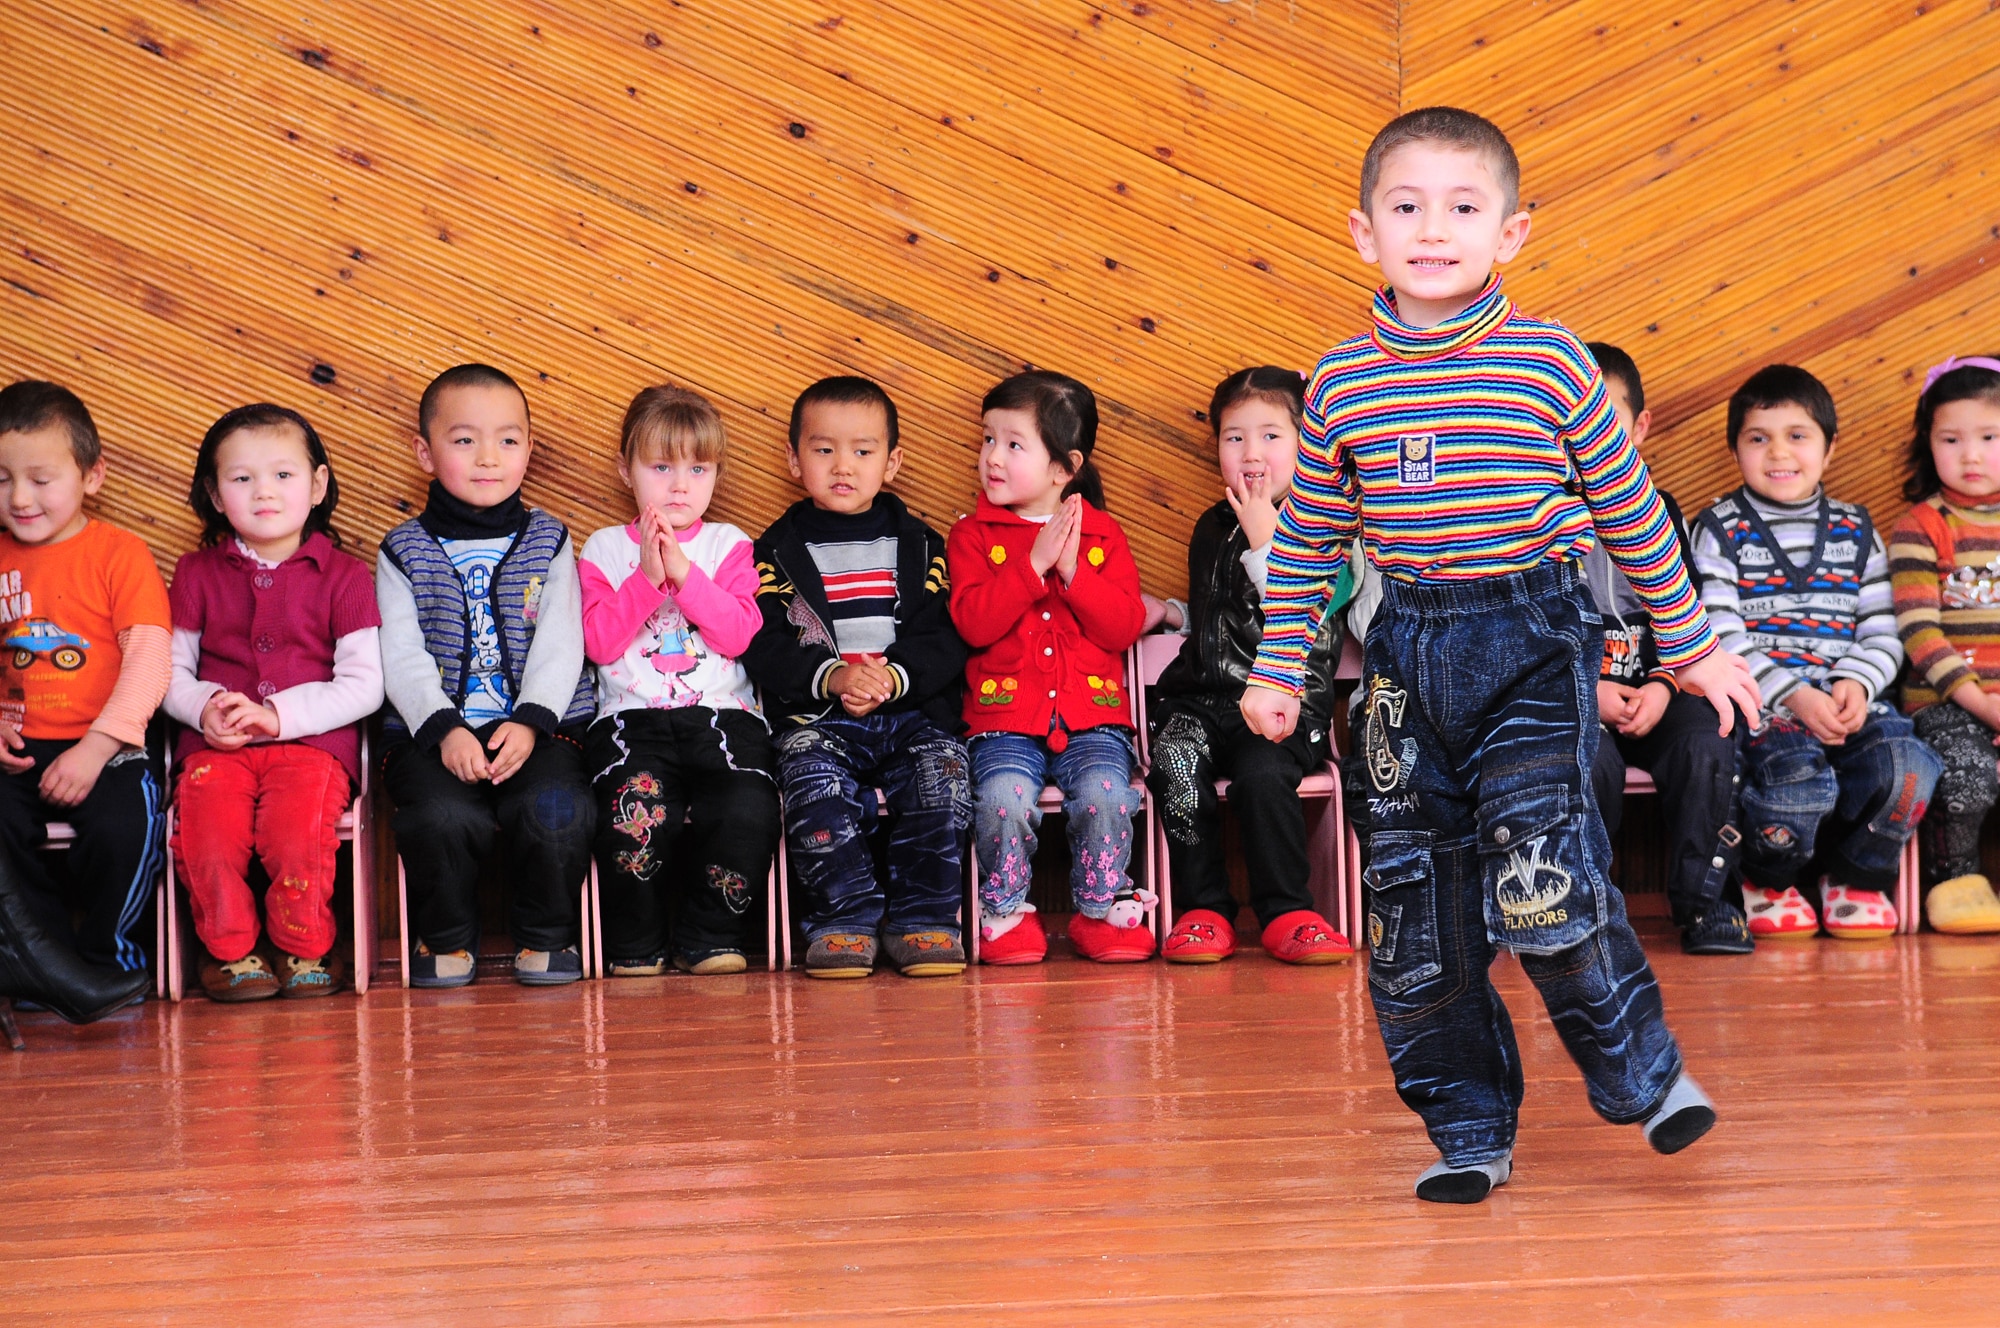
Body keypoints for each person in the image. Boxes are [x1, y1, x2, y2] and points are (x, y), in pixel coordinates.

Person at [1239, 107, 1762, 1203]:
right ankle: (1468, 1124)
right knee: (1411, 907)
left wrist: (1694, 645)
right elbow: (1303, 546)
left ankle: (1643, 1075)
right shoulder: (1337, 384)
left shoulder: (1548, 364)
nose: (1433, 228)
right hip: (1405, 658)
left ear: (1510, 233)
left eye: (1462, 207)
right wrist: (1279, 669)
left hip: (1529, 642)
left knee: (1542, 880)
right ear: (1361, 231)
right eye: (1406, 206)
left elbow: (1628, 513)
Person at [1692, 364, 1939, 940]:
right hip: (1765, 705)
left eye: (1797, 435)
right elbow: (1718, 633)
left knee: (1910, 767)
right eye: (1758, 438)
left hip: (1849, 702)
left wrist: (1855, 684)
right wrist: (1795, 695)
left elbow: (1883, 630)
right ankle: (1767, 878)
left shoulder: (1857, 530)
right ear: (1736, 451)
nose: (1778, 452)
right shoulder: (1720, 528)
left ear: (1830, 449)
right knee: (1796, 778)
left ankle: (1854, 876)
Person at [742, 376, 970, 979]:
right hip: (817, 717)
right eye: (823, 450)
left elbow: (945, 634)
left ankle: (924, 919)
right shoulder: (773, 553)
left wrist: (890, 679)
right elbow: (762, 641)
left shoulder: (923, 545)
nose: (843, 465)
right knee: (812, 787)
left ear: (892, 462)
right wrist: (833, 676)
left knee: (942, 777)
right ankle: (843, 921)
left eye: (863, 451)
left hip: (911, 710)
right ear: (794, 460)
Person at [377, 364, 595, 987]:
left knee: (556, 809)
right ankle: (445, 941)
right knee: (442, 818)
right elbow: (402, 653)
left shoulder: (549, 539)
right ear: (425, 451)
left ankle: (546, 938)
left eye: (508, 439)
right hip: (433, 733)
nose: (488, 459)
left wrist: (531, 723)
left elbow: (562, 641)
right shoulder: (402, 550)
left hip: (541, 727)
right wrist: (444, 729)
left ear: (529, 447)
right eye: (464, 440)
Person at [164, 404, 382, 1000]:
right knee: (208, 832)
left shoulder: (345, 577)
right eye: (241, 479)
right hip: (218, 746)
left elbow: (365, 684)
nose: (264, 491)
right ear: (213, 493)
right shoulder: (195, 574)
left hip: (311, 747)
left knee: (296, 833)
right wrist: (205, 706)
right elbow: (169, 672)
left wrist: (281, 716)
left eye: (283, 475)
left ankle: (304, 945)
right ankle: (231, 951)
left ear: (317, 485)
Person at [1148, 367, 1354, 965]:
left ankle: (1288, 909)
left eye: (1270, 436)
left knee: (1265, 779)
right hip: (1203, 699)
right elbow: (1217, 613)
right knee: (1176, 761)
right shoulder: (1211, 526)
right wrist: (1168, 612)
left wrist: (1269, 543)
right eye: (1234, 438)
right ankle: (1203, 908)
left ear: (1308, 443)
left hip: (1285, 701)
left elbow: (1323, 605)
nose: (1251, 453)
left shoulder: (1328, 523)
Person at [949, 371, 1153, 964]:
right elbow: (972, 624)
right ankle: (1006, 912)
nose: (992, 457)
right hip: (1004, 718)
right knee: (1002, 797)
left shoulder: (1103, 534)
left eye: (1014, 444)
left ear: (1064, 468)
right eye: (987, 439)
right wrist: (1030, 566)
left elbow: (1122, 625)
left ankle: (1099, 911)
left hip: (1092, 719)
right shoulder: (970, 536)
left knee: (1107, 792)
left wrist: (1071, 572)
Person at [580, 385, 778, 976]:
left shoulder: (730, 545)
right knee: (634, 806)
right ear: (626, 470)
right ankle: (635, 942)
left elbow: (740, 635)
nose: (679, 484)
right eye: (660, 466)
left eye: (697, 467)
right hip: (628, 719)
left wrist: (684, 574)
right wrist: (645, 577)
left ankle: (713, 933)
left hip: (723, 716)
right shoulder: (604, 548)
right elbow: (598, 644)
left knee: (746, 804)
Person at [1580, 344, 1753, 955]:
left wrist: (1665, 682)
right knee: (1581, 758)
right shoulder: (1525, 515)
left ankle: (1705, 902)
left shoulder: (1657, 510)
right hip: (1571, 696)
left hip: (1655, 688)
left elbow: (1683, 613)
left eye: (1606, 420)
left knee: (1709, 733)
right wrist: (1585, 691)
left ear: (1639, 428)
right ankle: (1582, 914)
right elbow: (1523, 628)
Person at [0, 380, 171, 978]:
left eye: (40, 480)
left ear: (91, 477)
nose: (19, 497)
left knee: (124, 830)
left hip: (109, 744)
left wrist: (97, 748)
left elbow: (149, 657)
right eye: (1, 479)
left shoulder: (119, 554)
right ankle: (42, 968)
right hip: (17, 748)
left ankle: (109, 961)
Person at [1888, 354, 2000, 933]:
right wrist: (1982, 702)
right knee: (1968, 774)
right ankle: (1954, 881)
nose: (1971, 454)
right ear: (1928, 445)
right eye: (1952, 439)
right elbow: (1919, 631)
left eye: (1989, 437)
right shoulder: (1922, 525)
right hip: (1947, 702)